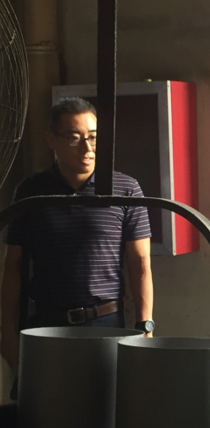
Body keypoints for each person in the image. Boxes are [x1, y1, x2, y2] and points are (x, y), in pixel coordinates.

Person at [0, 97, 154, 374]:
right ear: (51, 139)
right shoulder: (31, 191)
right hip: (44, 324)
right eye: (74, 138)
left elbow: (140, 264)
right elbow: (13, 266)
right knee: (45, 399)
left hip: (106, 322)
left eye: (93, 138)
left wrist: (145, 327)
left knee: (105, 398)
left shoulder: (126, 189)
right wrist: (7, 334)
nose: (87, 148)